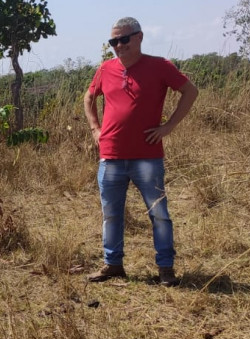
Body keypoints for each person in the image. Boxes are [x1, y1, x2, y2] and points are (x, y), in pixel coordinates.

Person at [83, 17, 198, 286]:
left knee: (158, 213)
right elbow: (89, 98)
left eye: (124, 39)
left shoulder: (159, 67)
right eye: (113, 41)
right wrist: (94, 130)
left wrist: (168, 126)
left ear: (139, 37)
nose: (118, 46)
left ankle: (166, 269)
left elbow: (190, 91)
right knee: (111, 213)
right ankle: (113, 264)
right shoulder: (106, 69)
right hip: (111, 156)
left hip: (147, 156)